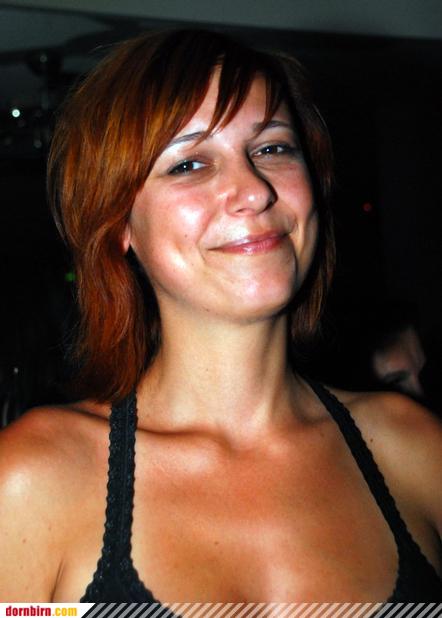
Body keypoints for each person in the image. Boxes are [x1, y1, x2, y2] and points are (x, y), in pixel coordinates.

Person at [0, 29, 440, 604]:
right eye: (189, 164)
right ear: (120, 224)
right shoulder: (34, 479)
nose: (252, 191)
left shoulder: (415, 450)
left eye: (272, 148)